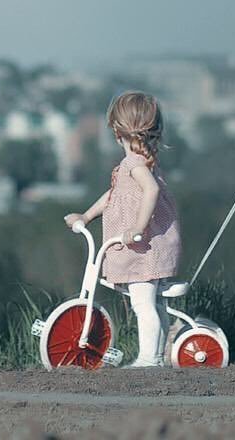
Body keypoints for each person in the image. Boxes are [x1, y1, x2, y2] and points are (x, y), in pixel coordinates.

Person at [64, 91, 181, 368]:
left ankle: (148, 359)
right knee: (155, 304)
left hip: (143, 249)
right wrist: (87, 215)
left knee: (143, 305)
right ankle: (157, 356)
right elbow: (114, 196)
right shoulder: (143, 163)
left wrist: (137, 228)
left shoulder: (135, 165)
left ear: (118, 132)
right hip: (153, 246)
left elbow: (151, 191)